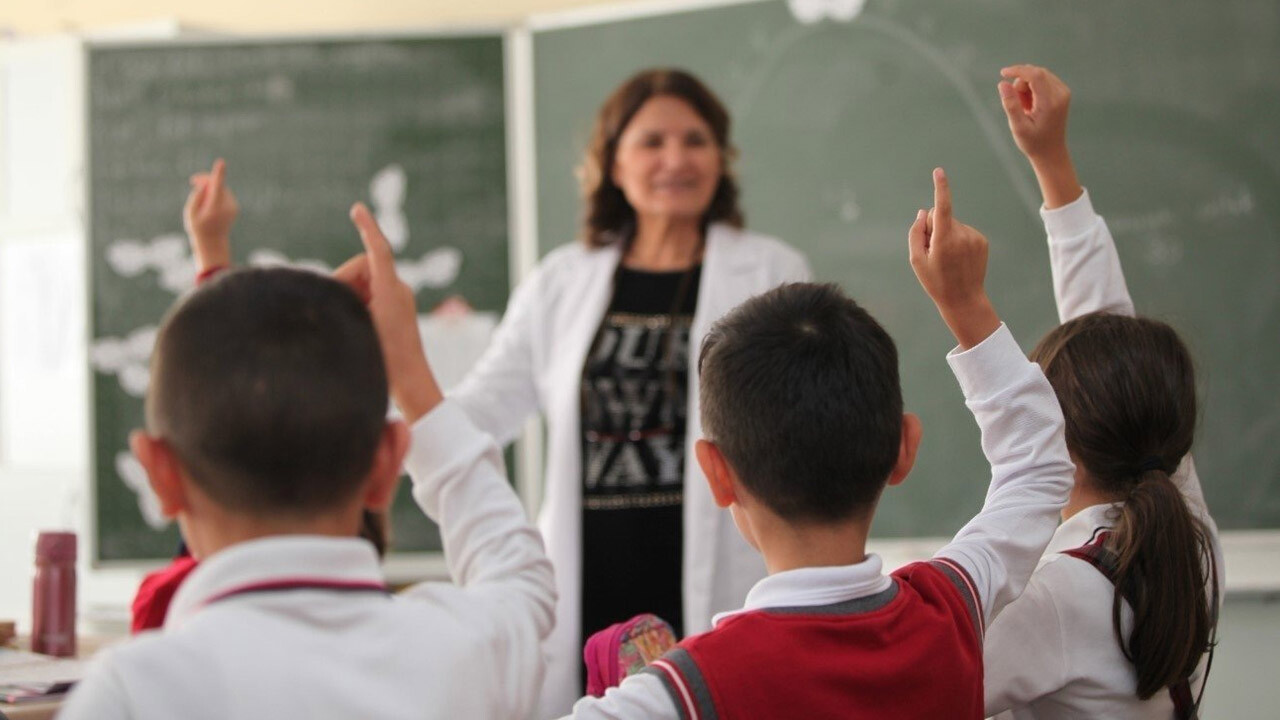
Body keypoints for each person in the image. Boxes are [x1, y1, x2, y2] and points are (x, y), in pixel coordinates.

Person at [560, 168, 1075, 719]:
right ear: (904, 447)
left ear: (715, 472)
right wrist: (965, 303)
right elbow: (1039, 466)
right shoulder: (951, 607)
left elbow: (1037, 467)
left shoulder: (679, 693)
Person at [58, 203, 555, 719]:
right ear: (386, 464)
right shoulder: (466, 654)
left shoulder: (132, 694)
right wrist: (411, 376)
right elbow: (522, 578)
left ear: (159, 474)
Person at [445, 68, 810, 713]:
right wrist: (389, 411)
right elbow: (482, 410)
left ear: (720, 159)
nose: (676, 159)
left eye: (695, 141)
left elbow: (808, 426)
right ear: (612, 163)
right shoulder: (562, 280)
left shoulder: (772, 272)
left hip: (718, 564)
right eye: (651, 142)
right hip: (592, 574)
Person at [982, 65, 1223, 719]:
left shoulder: (1060, 597)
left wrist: (966, 309)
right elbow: (1114, 340)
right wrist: (1052, 163)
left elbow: (916, 690)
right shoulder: (1186, 533)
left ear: (1060, 444)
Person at [128, 161, 394, 634]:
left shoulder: (167, 617)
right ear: (383, 463)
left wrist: (211, 253)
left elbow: (215, 396)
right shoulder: (437, 650)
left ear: (164, 474)